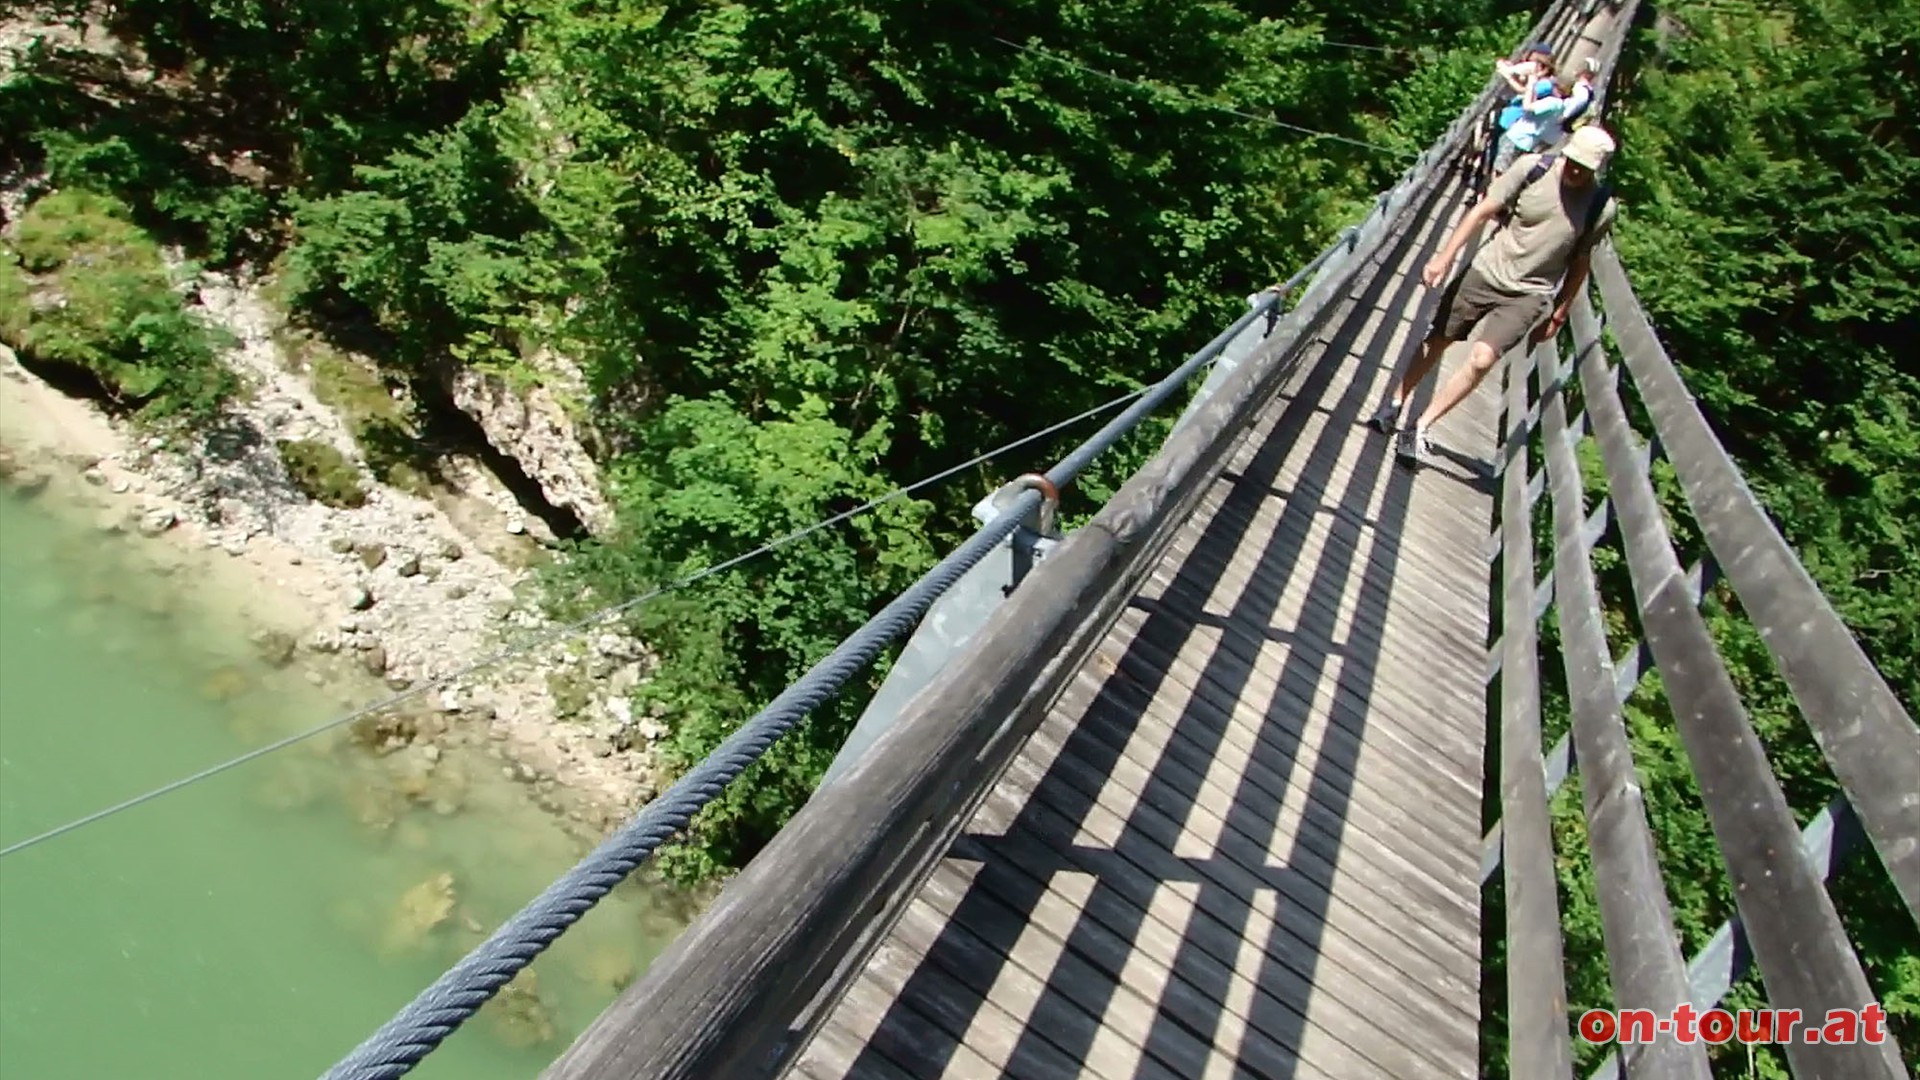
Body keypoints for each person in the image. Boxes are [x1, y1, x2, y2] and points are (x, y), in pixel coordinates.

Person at [1369, 125, 1620, 468]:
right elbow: (1482, 210)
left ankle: (1420, 426)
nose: (1575, 171)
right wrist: (1443, 257)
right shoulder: (1533, 168)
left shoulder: (1600, 209)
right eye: (1572, 161)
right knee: (1439, 338)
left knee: (1482, 359)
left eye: (1584, 167)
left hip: (1531, 293)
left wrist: (1559, 314)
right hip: (1488, 269)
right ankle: (1394, 403)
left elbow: (1580, 263)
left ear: (1597, 168)